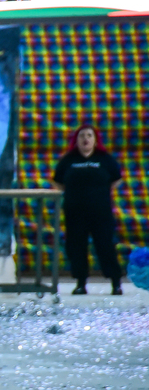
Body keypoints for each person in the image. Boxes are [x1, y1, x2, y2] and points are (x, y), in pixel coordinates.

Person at [52, 125, 123, 295]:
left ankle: (115, 282)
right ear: (76, 140)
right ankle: (81, 283)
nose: (86, 139)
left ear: (95, 139)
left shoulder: (105, 159)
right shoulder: (68, 160)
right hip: (75, 212)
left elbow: (117, 179)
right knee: (76, 247)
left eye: (89, 135)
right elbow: (57, 181)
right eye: (82, 136)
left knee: (105, 246)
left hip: (101, 213)